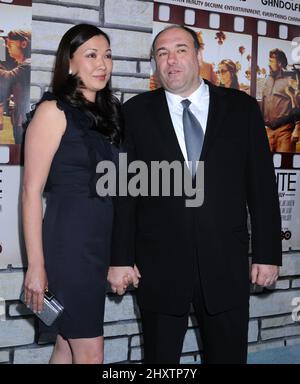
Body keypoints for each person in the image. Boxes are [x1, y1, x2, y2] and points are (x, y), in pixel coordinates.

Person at [108, 25, 282, 364]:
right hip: (158, 266)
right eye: (162, 53)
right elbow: (124, 193)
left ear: (199, 56)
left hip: (226, 264)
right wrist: (119, 258)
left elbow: (261, 186)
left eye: (180, 49)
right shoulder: (134, 113)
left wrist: (267, 252)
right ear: (155, 65)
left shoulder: (242, 109)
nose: (172, 60)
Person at [22, 24, 125, 364]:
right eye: (91, 55)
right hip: (69, 248)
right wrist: (36, 266)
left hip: (96, 245)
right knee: (90, 351)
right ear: (69, 64)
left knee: (67, 345)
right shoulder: (53, 112)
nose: (102, 64)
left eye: (107, 56)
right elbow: (30, 192)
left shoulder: (107, 117)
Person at [261, 48, 297, 152]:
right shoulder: (267, 80)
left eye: (271, 61)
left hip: (285, 132)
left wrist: (297, 128)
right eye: (268, 61)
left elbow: (297, 104)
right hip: (267, 132)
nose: (268, 64)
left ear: (280, 63)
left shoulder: (290, 80)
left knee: (285, 164)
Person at [0, 30, 31, 144]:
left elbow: (8, 77)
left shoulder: (27, 65)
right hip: (19, 119)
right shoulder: (24, 65)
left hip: (24, 120)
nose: (7, 47)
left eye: (10, 44)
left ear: (23, 44)